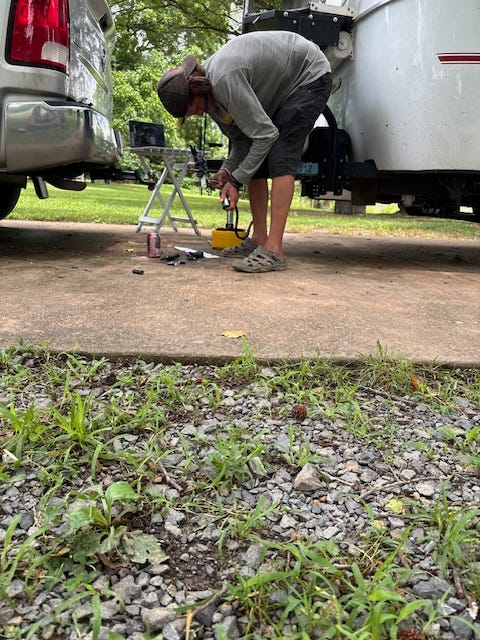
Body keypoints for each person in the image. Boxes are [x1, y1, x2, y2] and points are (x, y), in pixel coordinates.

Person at [157, 30, 332, 273]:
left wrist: (237, 181)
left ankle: (274, 249)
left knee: (280, 154)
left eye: (194, 109)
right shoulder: (212, 98)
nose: (196, 114)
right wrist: (228, 171)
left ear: (197, 89)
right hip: (281, 89)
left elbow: (265, 135)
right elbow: (242, 141)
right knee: (257, 160)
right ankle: (259, 237)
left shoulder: (224, 80)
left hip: (307, 75)